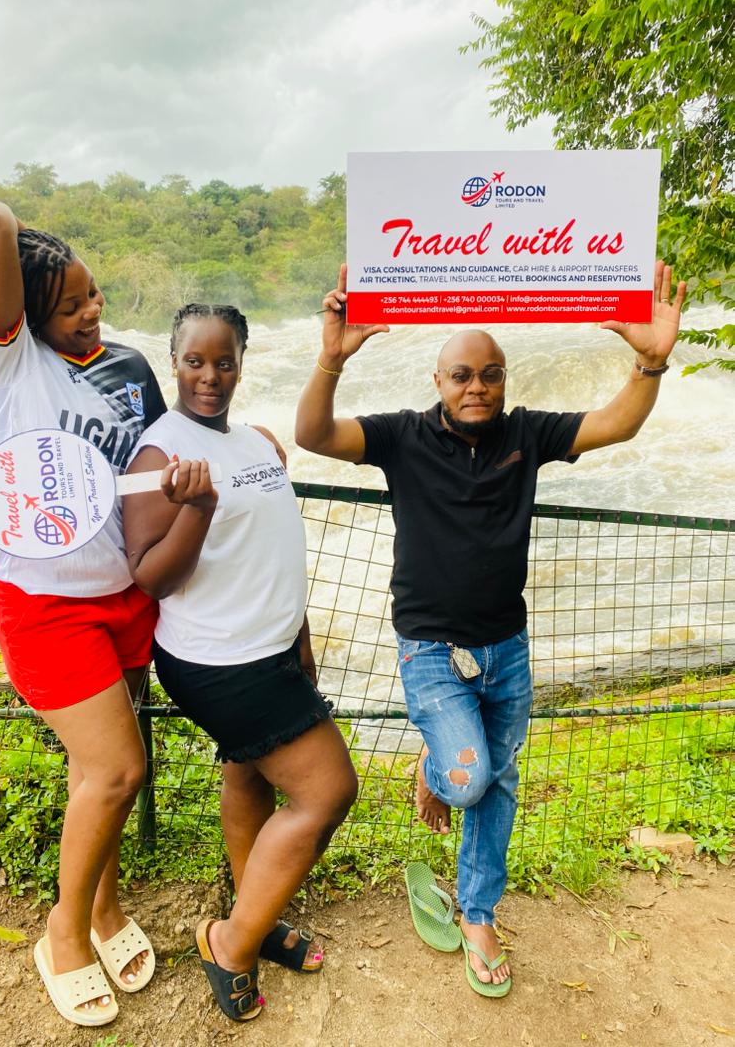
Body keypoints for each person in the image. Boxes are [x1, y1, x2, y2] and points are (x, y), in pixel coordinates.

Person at [294, 262, 686, 998]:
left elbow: (617, 423)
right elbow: (312, 434)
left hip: (507, 646)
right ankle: (438, 767)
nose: (477, 386)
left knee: (498, 782)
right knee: (470, 778)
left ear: (504, 380)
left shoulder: (527, 433)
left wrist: (650, 363)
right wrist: (331, 359)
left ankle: (478, 914)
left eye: (491, 374)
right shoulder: (403, 436)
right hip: (430, 648)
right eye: (462, 375)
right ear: (438, 381)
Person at [0, 200, 166, 1027]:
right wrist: (20, 243)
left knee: (93, 774)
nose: (92, 309)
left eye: (94, 294)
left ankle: (105, 909)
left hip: (126, 596)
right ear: (27, 316)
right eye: (70, 304)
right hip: (44, 607)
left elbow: (163, 454)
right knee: (119, 769)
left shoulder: (127, 366)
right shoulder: (10, 364)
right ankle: (63, 935)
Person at [122, 301, 359, 1022]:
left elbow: (272, 547)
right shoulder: (160, 455)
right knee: (328, 792)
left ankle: (254, 916)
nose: (209, 376)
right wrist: (196, 507)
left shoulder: (258, 442)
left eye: (223, 362)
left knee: (249, 776)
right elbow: (150, 577)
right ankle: (229, 942)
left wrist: (302, 638)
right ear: (174, 362)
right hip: (218, 659)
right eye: (195, 361)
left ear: (241, 364)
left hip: (272, 647)